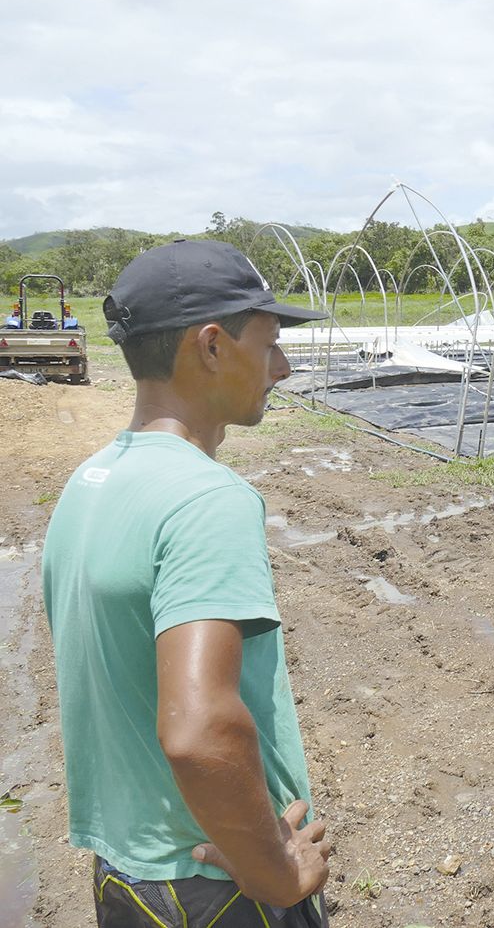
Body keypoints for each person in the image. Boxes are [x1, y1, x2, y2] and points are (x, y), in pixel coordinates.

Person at [41, 239, 334, 926]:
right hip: (213, 887)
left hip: (127, 871)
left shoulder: (90, 481)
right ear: (211, 346)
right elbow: (200, 728)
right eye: (269, 343)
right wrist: (276, 871)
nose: (283, 368)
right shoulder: (207, 499)